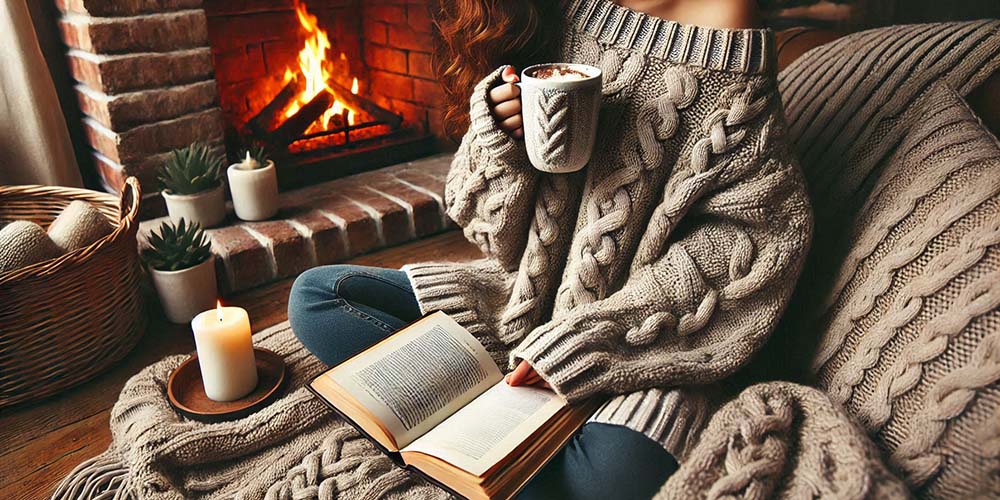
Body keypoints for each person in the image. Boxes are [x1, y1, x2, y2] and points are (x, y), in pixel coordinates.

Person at [288, 0, 813, 498]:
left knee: (613, 477)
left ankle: (479, 426)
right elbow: (483, 230)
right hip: (519, 303)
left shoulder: (729, 39)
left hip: (637, 347)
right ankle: (487, 423)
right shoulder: (552, 15)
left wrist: (583, 344)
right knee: (317, 297)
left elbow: (741, 250)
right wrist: (500, 137)